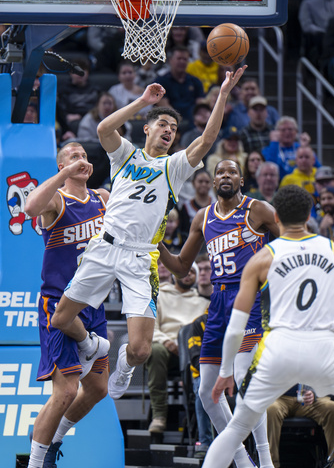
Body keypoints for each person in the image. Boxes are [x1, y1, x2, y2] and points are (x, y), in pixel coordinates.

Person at [50, 69, 247, 405]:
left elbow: (207, 140)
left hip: (140, 258)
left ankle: (123, 364)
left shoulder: (174, 167)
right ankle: (91, 344)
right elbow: (103, 129)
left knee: (141, 349)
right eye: (162, 125)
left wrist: (224, 94)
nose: (169, 131)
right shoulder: (127, 154)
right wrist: (142, 101)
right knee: (61, 319)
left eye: (173, 128)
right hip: (104, 247)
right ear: (147, 128)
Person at [177, 184, 334, 468]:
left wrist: (225, 371)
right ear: (311, 215)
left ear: (276, 216)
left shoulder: (262, 258)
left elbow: (236, 325)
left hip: (282, 348)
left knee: (238, 421)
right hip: (324, 348)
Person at [159, 159, 281, 468]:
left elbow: (289, 241)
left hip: (248, 301)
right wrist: (156, 244)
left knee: (241, 384)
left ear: (241, 179)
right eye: (219, 173)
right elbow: (182, 266)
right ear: (213, 181)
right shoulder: (203, 217)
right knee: (207, 393)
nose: (224, 176)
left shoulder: (257, 210)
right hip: (216, 306)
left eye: (231, 172)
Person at [16, 142, 110, 468]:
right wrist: (63, 176)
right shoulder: (56, 200)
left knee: (98, 389)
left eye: (84, 157)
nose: (81, 160)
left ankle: (53, 445)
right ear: (60, 165)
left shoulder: (102, 198)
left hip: (95, 305)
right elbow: (30, 207)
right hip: (58, 304)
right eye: (73, 156)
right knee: (66, 391)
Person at [146, 265, 209, 433]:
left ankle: (201, 424)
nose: (188, 273)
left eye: (192, 271)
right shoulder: (159, 297)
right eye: (185, 270)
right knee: (156, 351)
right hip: (168, 348)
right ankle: (159, 416)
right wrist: (168, 343)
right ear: (174, 274)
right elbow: (151, 329)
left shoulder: (204, 303)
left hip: (194, 351)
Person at [267, 384, 334, 468]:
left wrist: (313, 391)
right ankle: (270, 467)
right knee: (270, 409)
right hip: (278, 398)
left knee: (332, 408)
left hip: (308, 399)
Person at [153, 46, 205, 132]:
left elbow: (200, 105)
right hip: (170, 122)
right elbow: (163, 105)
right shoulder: (160, 81)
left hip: (193, 122)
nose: (182, 61)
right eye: (179, 58)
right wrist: (178, 122)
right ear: (171, 60)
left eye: (185, 59)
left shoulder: (195, 81)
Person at [187, 310, 214, 458]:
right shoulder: (200, 323)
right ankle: (205, 442)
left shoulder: (237, 319)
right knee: (203, 392)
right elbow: (195, 356)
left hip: (231, 372)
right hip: (203, 372)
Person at [262, 116, 321, 180]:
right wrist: (274, 143)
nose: (287, 132)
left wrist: (305, 148)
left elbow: (318, 169)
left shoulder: (301, 147)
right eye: (283, 130)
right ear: (277, 132)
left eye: (290, 129)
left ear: (296, 132)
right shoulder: (269, 150)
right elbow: (270, 170)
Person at [180, 170, 216, 236]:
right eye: (200, 181)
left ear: (211, 184)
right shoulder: (186, 206)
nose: (204, 184)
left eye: (207, 182)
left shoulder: (217, 205)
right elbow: (184, 231)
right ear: (193, 183)